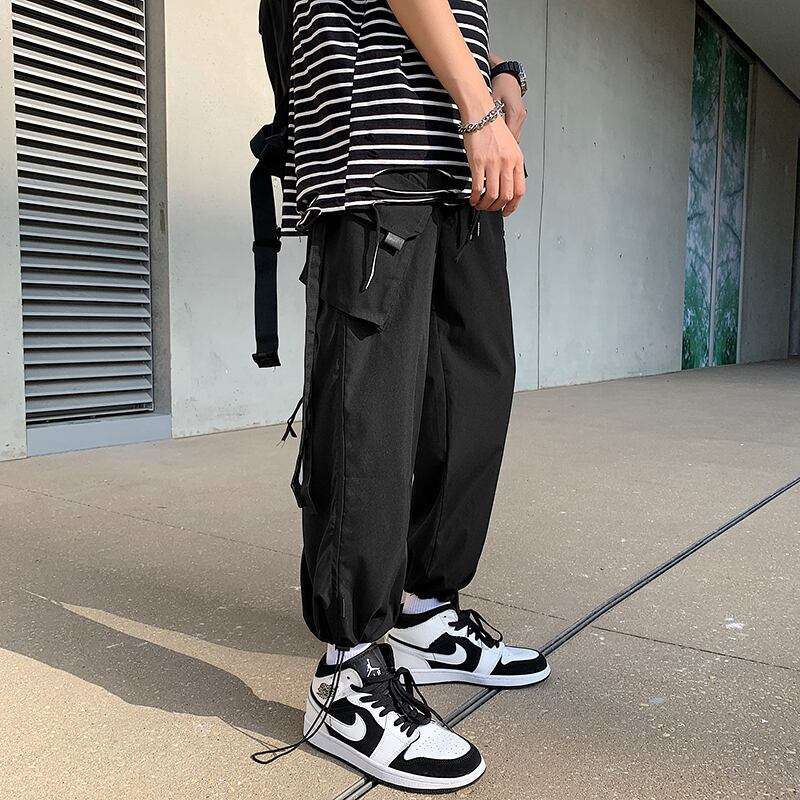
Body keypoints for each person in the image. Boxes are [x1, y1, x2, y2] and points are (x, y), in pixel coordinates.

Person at [259, 0, 550, 792]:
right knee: (372, 416)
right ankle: (347, 675)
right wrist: (478, 105)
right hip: (375, 143)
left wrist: (496, 71)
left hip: (457, 162)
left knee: (473, 391)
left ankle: (424, 614)